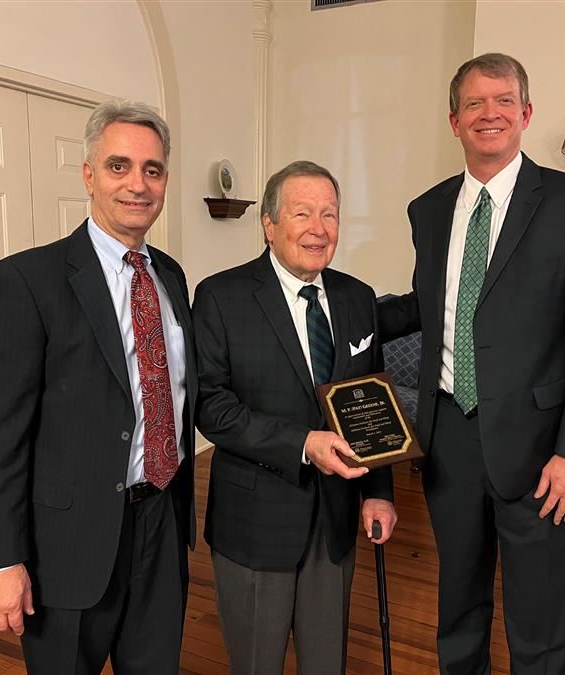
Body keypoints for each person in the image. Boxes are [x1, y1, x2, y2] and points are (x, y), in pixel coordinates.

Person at [379, 53, 565, 674]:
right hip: (449, 438)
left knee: (540, 618)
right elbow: (433, 305)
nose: (490, 114)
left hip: (544, 449)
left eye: (503, 101)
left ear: (526, 113)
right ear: (453, 119)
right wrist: (342, 307)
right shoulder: (428, 211)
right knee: (458, 603)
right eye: (475, 104)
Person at [0, 100, 197, 674]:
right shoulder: (26, 280)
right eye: (119, 167)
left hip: (160, 524)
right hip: (67, 544)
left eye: (153, 170)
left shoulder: (169, 275)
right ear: (89, 175)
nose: (137, 185)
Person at [193, 161, 398, 675]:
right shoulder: (221, 297)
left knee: (326, 662)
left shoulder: (357, 297)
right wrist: (304, 443)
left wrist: (379, 491)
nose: (318, 228)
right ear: (268, 223)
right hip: (255, 523)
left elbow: (371, 405)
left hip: (336, 519)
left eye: (329, 214)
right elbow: (210, 407)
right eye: (302, 212)